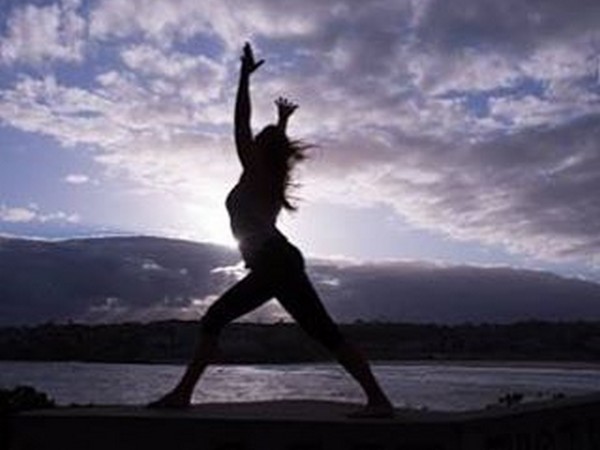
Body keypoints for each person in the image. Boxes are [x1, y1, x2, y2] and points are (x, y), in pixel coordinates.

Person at [148, 43, 394, 418]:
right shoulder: (272, 180)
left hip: (274, 262)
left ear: (260, 150)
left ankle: (182, 395)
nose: (249, 143)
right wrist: (282, 123)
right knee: (323, 332)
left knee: (214, 319)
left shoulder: (256, 173)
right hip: (280, 260)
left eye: (257, 142)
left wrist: (243, 79)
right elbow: (269, 143)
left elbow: (240, 123)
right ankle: (378, 400)